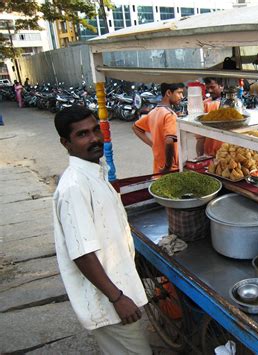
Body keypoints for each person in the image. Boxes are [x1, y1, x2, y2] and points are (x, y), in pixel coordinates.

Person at [53, 105, 152, 355]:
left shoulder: (94, 173)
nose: (95, 138)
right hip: (109, 303)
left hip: (117, 291)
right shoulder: (74, 187)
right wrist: (117, 298)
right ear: (66, 143)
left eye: (96, 129)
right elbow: (82, 254)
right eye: (83, 134)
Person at [132, 82, 185, 174]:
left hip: (158, 165)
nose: (182, 96)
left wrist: (153, 145)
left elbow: (135, 127)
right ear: (168, 93)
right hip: (170, 169)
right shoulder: (170, 115)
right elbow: (169, 141)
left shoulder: (154, 111)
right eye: (179, 93)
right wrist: (168, 166)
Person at [196, 77, 224, 156]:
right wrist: (200, 158)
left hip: (225, 152)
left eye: (212, 87)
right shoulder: (205, 104)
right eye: (208, 88)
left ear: (221, 86)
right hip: (209, 153)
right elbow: (200, 137)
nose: (209, 90)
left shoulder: (228, 104)